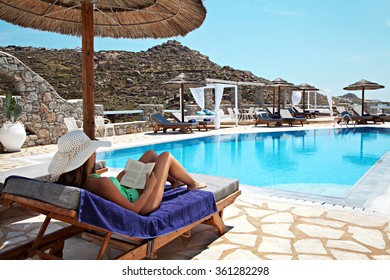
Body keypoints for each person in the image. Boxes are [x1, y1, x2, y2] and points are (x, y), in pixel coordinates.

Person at [48, 130, 206, 215]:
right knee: (166, 156)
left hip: (127, 191)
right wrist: (151, 187)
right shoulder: (99, 183)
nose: (95, 154)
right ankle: (192, 184)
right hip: (145, 204)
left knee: (151, 154)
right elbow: (134, 210)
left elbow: (110, 193)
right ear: (86, 159)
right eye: (92, 152)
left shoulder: (83, 181)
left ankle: (175, 181)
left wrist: (119, 178)